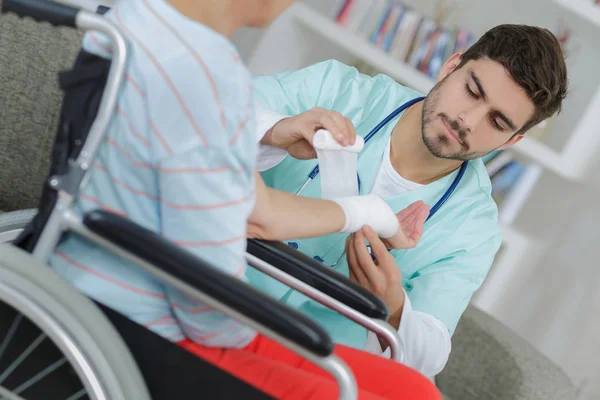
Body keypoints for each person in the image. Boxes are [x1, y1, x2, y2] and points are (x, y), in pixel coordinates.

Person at [48, 0, 441, 398]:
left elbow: (257, 210)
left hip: (101, 273)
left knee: (413, 390)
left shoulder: (139, 19)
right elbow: (212, 304)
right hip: (148, 325)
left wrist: (371, 213)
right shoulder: (208, 79)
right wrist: (256, 327)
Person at [249, 24, 569, 377]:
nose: (468, 120)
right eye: (472, 91)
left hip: (309, 365)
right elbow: (213, 119)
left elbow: (428, 353)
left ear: (511, 141)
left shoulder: (474, 229)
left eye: (496, 122)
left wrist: (395, 308)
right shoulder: (339, 90)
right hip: (211, 287)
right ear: (451, 67)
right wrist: (275, 131)